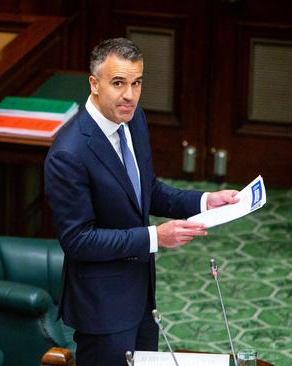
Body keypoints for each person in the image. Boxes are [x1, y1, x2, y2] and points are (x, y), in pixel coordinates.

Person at [44, 37, 240, 365]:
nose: (130, 95)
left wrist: (205, 201)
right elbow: (78, 240)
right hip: (102, 308)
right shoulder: (68, 153)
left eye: (137, 83)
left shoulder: (134, 120)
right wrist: (155, 237)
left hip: (142, 296)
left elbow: (146, 190)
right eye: (118, 83)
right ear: (94, 83)